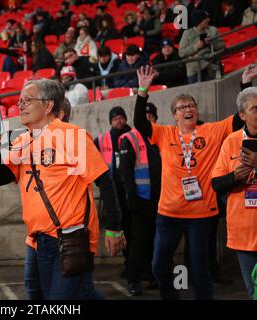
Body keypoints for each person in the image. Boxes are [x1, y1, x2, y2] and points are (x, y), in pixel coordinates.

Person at [0, 78, 125, 300]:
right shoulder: (21, 140)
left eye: (27, 100)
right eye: (19, 101)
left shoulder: (72, 136)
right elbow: (2, 177)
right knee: (52, 296)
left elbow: (104, 180)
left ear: (48, 105)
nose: (20, 105)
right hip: (37, 239)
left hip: (69, 237)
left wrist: (115, 228)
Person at [133, 65, 250, 300]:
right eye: (182, 107)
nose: (188, 109)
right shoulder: (164, 134)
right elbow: (139, 124)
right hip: (169, 214)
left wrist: (245, 86)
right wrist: (143, 90)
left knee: (199, 272)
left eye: (192, 105)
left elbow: (240, 120)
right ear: (174, 115)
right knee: (159, 265)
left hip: (200, 215)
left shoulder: (211, 131)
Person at [212, 67, 257, 300]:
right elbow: (216, 184)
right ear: (242, 115)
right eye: (255, 109)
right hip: (243, 233)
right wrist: (235, 177)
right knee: (253, 291)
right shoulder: (231, 142)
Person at [118, 102, 161, 296]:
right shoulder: (129, 139)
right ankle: (134, 280)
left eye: (151, 116)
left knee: (157, 241)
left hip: (161, 200)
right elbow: (125, 172)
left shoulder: (160, 136)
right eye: (145, 115)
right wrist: (132, 197)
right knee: (139, 241)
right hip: (141, 200)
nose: (148, 119)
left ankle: (153, 277)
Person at [94, 106, 132, 279]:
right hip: (113, 194)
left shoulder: (133, 136)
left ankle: (135, 267)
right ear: (110, 121)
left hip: (133, 193)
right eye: (115, 118)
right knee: (121, 230)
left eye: (121, 117)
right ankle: (128, 265)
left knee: (134, 232)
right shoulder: (101, 140)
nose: (119, 121)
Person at [178, 9, 225, 84]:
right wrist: (196, 47)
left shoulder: (212, 30)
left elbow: (222, 45)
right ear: (199, 21)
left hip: (210, 67)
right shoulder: (188, 33)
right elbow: (181, 53)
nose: (208, 19)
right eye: (205, 18)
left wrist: (211, 43)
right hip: (194, 70)